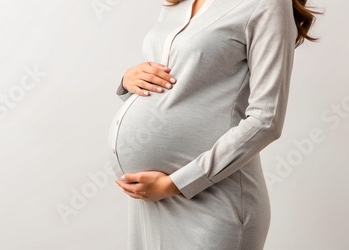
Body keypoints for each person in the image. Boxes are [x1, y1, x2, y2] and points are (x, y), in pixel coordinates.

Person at [107, 0, 320, 249]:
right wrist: (129, 78)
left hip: (213, 201)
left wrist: (176, 184)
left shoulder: (267, 4)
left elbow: (266, 120)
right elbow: (181, 82)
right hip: (150, 201)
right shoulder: (177, 2)